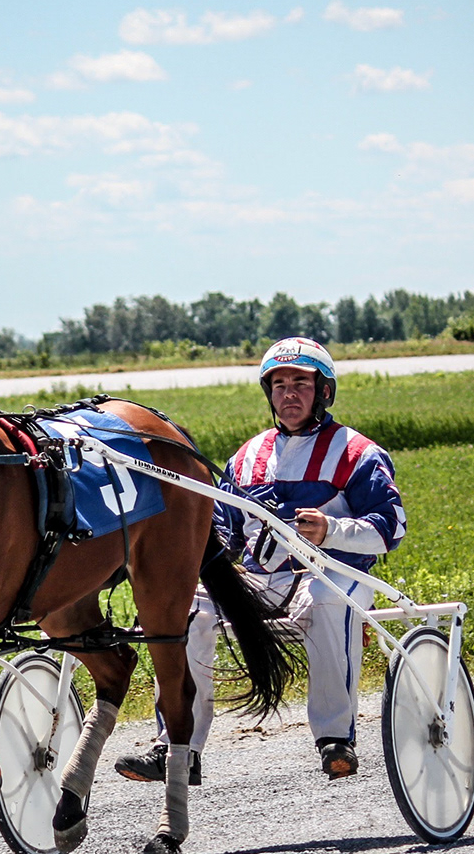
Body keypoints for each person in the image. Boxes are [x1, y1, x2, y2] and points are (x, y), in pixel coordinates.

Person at [118, 336, 406, 784]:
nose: (288, 394)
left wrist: (331, 530)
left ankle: (335, 739)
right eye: (279, 385)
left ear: (323, 391)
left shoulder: (357, 453)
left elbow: (391, 529)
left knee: (322, 599)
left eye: (300, 384)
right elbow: (224, 533)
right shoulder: (247, 458)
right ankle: (177, 748)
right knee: (186, 608)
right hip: (261, 581)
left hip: (336, 574)